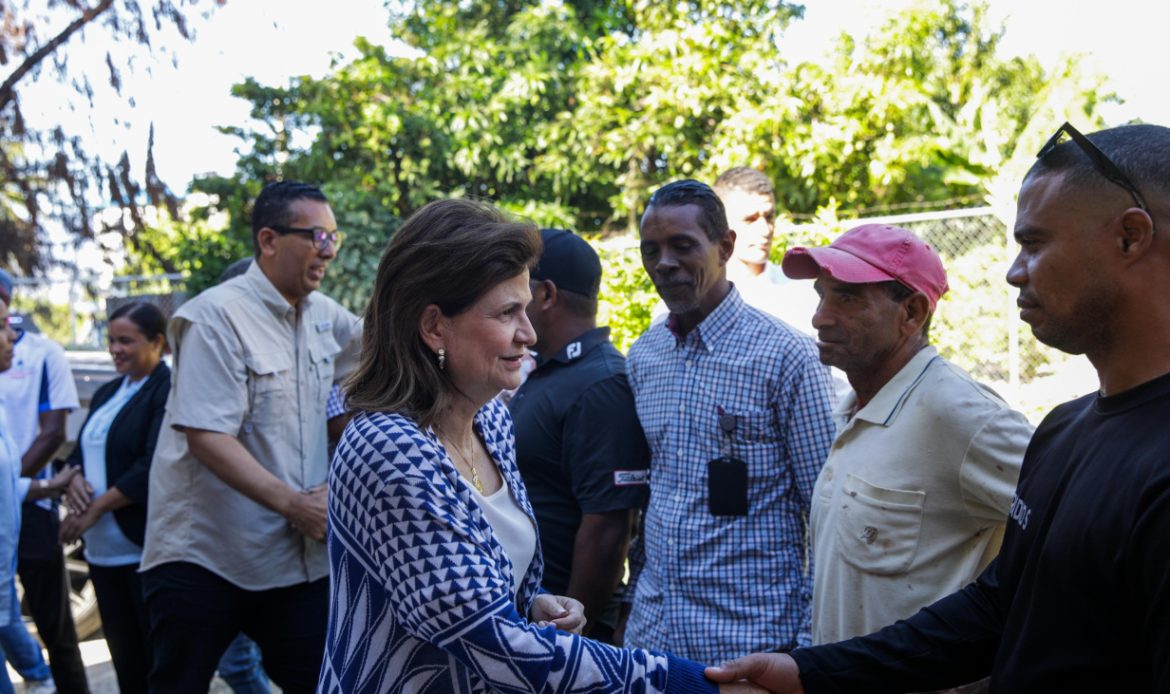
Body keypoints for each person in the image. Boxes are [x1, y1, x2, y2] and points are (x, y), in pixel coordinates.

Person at [706, 122, 1170, 692]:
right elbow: (999, 607)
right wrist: (812, 672)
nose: (1013, 271)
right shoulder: (1065, 430)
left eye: (1034, 243)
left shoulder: (1148, 465)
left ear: (1130, 237)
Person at [320, 198, 762, 694]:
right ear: (434, 326)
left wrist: (535, 605)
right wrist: (695, 686)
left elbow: (463, 593)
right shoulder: (388, 445)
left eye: (526, 309)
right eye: (508, 313)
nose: (528, 334)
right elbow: (491, 641)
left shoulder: (488, 419)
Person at [139, 181, 361, 693]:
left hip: (290, 559)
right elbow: (206, 436)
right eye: (316, 237)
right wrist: (296, 505)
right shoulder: (215, 315)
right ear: (268, 240)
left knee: (323, 682)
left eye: (333, 238)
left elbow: (379, 362)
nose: (328, 250)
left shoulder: (325, 314)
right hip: (204, 555)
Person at [780, 224, 1034, 658]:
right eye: (821, 295)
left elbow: (1085, 531)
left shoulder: (957, 412)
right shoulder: (852, 408)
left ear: (912, 313)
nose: (820, 317)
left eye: (847, 297)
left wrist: (1001, 662)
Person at [622, 180, 836, 663]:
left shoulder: (785, 357)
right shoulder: (645, 356)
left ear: (725, 247)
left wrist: (805, 648)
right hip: (653, 640)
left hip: (750, 645)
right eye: (650, 249)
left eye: (682, 246)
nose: (664, 263)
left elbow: (827, 513)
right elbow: (653, 498)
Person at [509, 228, 649, 643]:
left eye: (517, 289)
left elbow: (608, 526)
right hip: (535, 613)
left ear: (547, 295)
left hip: (565, 628)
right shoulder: (554, 371)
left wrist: (569, 640)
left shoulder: (600, 384)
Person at [52, 301, 169, 694]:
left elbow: (150, 466)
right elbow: (79, 453)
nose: (115, 349)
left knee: (155, 661)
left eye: (126, 341)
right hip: (102, 552)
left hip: (142, 549)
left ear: (158, 343)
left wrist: (94, 509)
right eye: (110, 341)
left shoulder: (165, 390)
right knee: (124, 658)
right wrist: (73, 481)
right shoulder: (107, 391)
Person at [0, 269, 89, 694]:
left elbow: (53, 432)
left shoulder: (42, 353)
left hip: (30, 504)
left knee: (55, 624)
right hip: (14, 494)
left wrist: (12, 485)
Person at [712, 168, 819, 336]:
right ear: (720, 224)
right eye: (750, 219)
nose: (765, 229)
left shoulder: (800, 294)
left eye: (769, 217)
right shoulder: (699, 298)